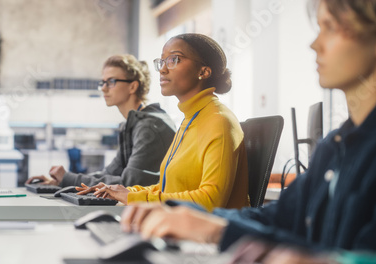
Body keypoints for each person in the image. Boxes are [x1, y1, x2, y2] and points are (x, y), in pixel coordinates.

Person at [119, 0, 376, 258]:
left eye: (331, 27)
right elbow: (279, 217)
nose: (314, 44)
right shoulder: (334, 147)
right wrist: (201, 222)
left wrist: (214, 229)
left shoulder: (217, 120)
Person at [82, 33, 250, 211]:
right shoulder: (190, 120)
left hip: (206, 235)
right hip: (177, 225)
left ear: (203, 71)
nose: (162, 69)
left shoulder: (219, 121)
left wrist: (133, 196)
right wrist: (124, 191)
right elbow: (167, 188)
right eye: (162, 62)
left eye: (174, 59)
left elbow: (210, 201)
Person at [25, 54, 175, 188]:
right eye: (102, 82)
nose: (103, 88)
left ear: (133, 86)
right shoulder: (131, 124)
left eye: (111, 81)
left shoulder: (149, 126)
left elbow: (129, 185)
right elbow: (110, 172)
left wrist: (69, 178)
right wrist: (63, 181)